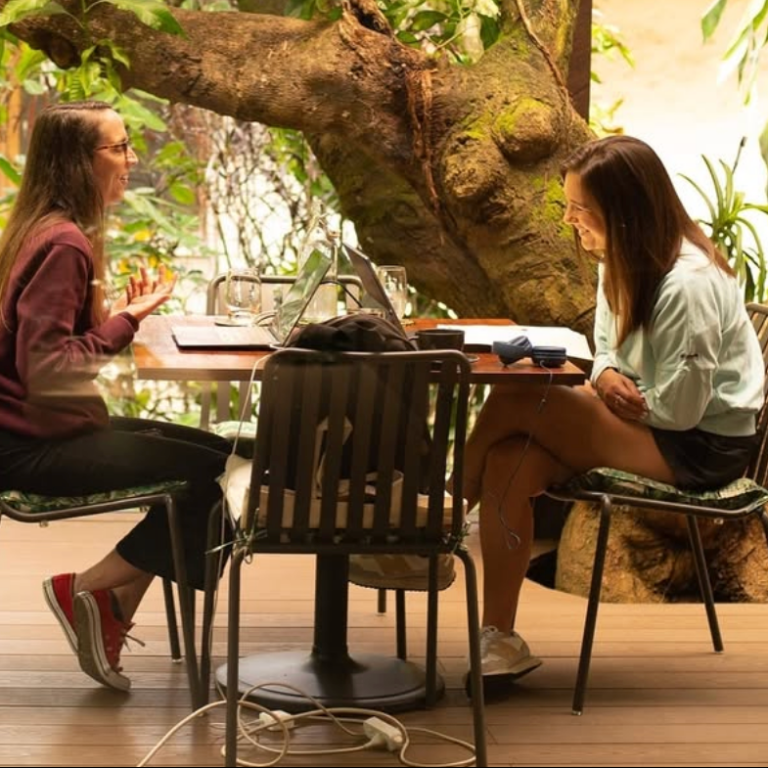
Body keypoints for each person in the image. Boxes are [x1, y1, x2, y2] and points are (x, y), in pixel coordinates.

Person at [462, 135, 765, 683]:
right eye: (570, 206)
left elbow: (682, 411)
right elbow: (604, 348)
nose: (571, 220)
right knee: (510, 458)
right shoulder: (620, 261)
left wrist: (604, 394)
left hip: (699, 444)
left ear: (624, 214)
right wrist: (602, 375)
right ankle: (499, 639)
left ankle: (438, 518)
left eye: (582, 209)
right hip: (652, 418)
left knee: (515, 393)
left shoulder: (687, 286)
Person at [0, 101, 233, 691]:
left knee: (228, 459)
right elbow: (48, 369)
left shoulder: (47, 228)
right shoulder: (65, 244)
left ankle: (109, 613)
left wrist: (111, 315)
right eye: (119, 147)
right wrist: (126, 319)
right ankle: (83, 590)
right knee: (228, 480)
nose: (131, 159)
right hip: (30, 447)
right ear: (78, 162)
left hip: (42, 429)